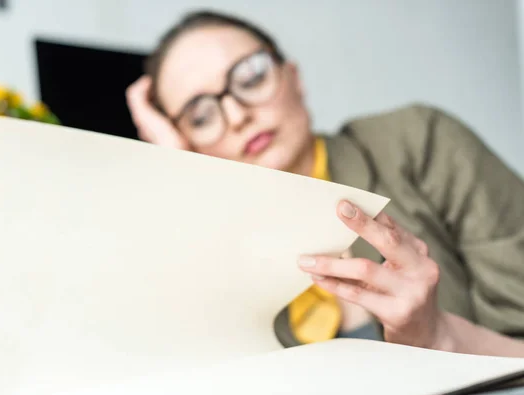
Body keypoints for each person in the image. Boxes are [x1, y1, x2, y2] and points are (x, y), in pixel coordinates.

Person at [126, 9, 524, 357]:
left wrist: (439, 337)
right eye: (200, 117)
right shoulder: (206, 249)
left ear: (293, 78)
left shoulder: (418, 141)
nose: (236, 116)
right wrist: (180, 176)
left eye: (251, 77)